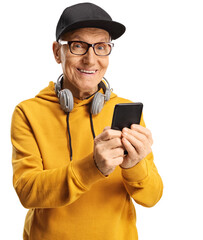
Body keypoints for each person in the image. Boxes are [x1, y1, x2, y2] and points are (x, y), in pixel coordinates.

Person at [11, 2, 163, 240]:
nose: (91, 60)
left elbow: (152, 197)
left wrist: (134, 165)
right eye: (78, 46)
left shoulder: (125, 112)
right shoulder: (28, 112)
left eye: (101, 47)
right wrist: (93, 167)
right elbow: (27, 191)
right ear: (56, 52)